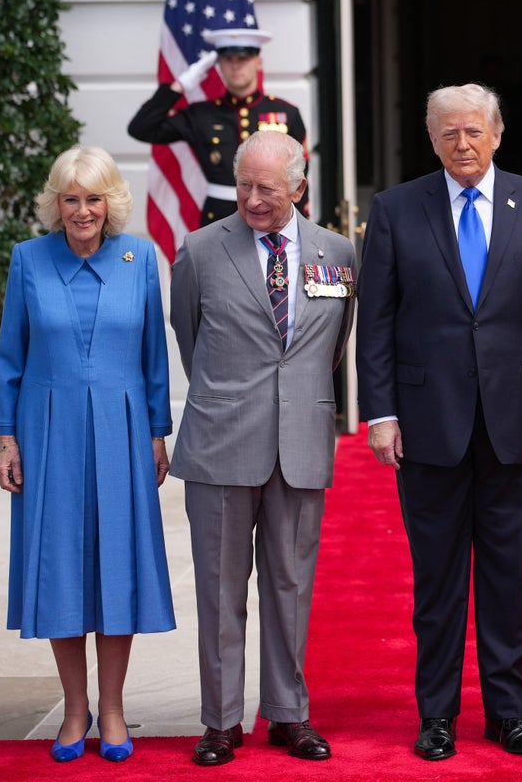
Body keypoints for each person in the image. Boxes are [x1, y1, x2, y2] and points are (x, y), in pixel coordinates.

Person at [356, 83, 522, 761]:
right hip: (428, 423)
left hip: (519, 422)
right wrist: (381, 413)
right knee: (438, 580)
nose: (463, 143)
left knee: (511, 578)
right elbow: (377, 320)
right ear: (432, 140)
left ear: (497, 134)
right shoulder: (396, 209)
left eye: (474, 131)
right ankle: (437, 714)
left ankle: (509, 712)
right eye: (449, 132)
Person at [168, 130, 355, 767]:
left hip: (300, 441)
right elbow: (189, 338)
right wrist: (230, 397)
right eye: (244, 185)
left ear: (299, 188)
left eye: (267, 189)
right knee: (220, 590)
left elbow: (331, 348)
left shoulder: (337, 253)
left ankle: (288, 713)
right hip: (221, 442)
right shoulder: (200, 250)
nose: (252, 199)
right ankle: (221, 721)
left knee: (290, 584)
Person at [0, 145, 176, 764]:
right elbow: (10, 356)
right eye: (70, 199)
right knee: (61, 567)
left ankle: (114, 709)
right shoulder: (28, 259)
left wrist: (157, 432)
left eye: (93, 198)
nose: (82, 211)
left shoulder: (139, 259)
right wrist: (7, 439)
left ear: (111, 201)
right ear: (56, 203)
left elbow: (154, 356)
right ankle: (76, 710)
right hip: (48, 433)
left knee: (117, 566)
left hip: (123, 432)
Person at [128, 27, 309, 229]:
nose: (235, 66)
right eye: (228, 59)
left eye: (243, 59)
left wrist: (298, 228)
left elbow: (299, 177)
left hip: (272, 217)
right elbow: (141, 128)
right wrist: (181, 85)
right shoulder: (201, 114)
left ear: (258, 62)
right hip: (218, 218)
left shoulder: (286, 113)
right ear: (219, 64)